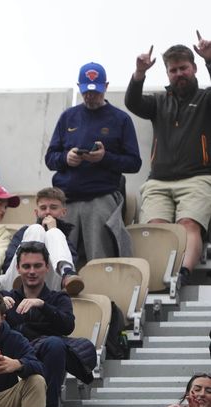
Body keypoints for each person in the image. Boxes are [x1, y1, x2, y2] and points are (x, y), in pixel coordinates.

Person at [125, 36, 211, 285]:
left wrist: (209, 59)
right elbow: (133, 102)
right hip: (159, 182)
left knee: (188, 225)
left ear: (194, 68)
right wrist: (140, 73)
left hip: (198, 178)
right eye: (173, 70)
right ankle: (154, 282)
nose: (178, 73)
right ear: (167, 73)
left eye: (183, 68)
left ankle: (182, 276)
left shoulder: (206, 99)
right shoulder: (158, 102)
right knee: (155, 229)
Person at [46, 62, 141, 265]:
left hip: (101, 196)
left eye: (95, 92)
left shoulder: (120, 119)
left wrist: (104, 158)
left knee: (99, 255)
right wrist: (66, 158)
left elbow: (134, 163)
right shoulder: (68, 116)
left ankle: (103, 293)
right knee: (62, 257)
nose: (90, 96)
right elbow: (50, 158)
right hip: (67, 197)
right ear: (79, 86)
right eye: (86, 92)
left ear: (105, 86)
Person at [0, 241, 96, 407]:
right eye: (26, 266)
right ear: (18, 269)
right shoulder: (7, 298)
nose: (32, 271)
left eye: (37, 266)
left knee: (54, 344)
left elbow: (67, 326)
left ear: (47, 267)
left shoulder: (58, 299)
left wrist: (42, 305)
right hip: (14, 357)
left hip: (47, 355)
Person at [0, 187, 84, 295]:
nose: (48, 212)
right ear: (36, 212)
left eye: (53, 207)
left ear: (63, 212)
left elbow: (73, 259)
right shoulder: (24, 232)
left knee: (54, 233)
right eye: (43, 208)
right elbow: (8, 262)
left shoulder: (62, 237)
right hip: (15, 284)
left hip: (47, 287)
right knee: (36, 229)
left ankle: (67, 273)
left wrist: (53, 229)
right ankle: (22, 279)